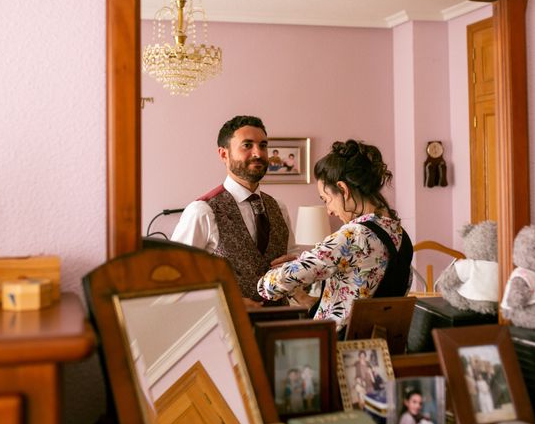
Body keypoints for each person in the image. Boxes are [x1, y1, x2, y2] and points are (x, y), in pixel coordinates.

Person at [257, 139, 412, 332]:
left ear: (343, 189)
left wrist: (268, 278)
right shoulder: (399, 234)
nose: (329, 211)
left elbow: (270, 288)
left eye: (326, 199)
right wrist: (305, 292)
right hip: (379, 350)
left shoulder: (353, 236)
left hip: (337, 349)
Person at [171, 116, 298, 307]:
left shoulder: (279, 208)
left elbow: (291, 261)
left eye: (263, 145)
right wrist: (228, 301)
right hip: (228, 327)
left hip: (279, 323)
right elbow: (176, 279)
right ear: (224, 154)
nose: (258, 153)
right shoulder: (203, 211)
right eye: (247, 145)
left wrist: (293, 269)